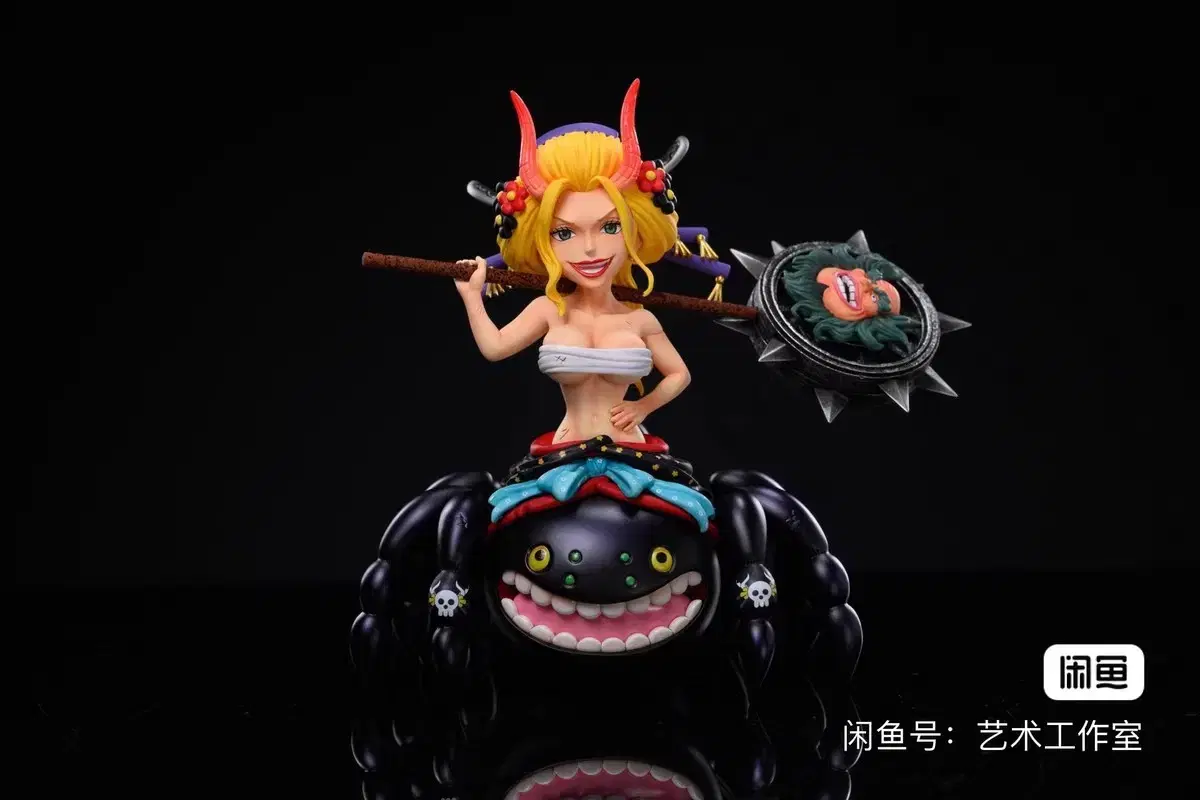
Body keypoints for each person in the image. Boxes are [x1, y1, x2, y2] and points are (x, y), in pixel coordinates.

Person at [455, 80, 729, 446]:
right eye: (563, 233)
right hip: (563, 450)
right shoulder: (548, 310)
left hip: (632, 448)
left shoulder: (641, 320)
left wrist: (643, 407)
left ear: (636, 230)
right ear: (541, 241)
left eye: (610, 227)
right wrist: (471, 296)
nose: (589, 249)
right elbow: (496, 347)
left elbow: (679, 374)